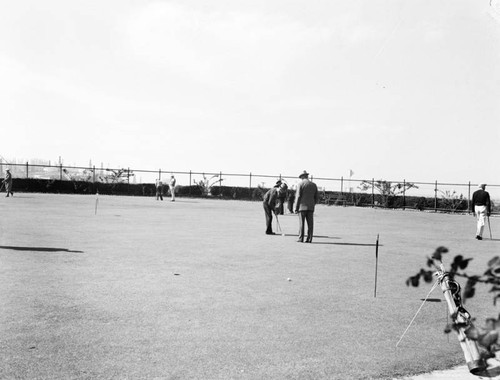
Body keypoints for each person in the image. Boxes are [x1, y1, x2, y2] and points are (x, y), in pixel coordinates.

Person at [294, 170, 318, 243]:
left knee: (302, 223)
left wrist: (296, 207)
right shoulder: (314, 185)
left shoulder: (300, 184)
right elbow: (316, 197)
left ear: (302, 177)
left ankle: (301, 238)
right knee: (310, 224)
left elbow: (298, 196)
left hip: (302, 206)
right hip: (310, 207)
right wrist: (313, 204)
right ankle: (309, 238)